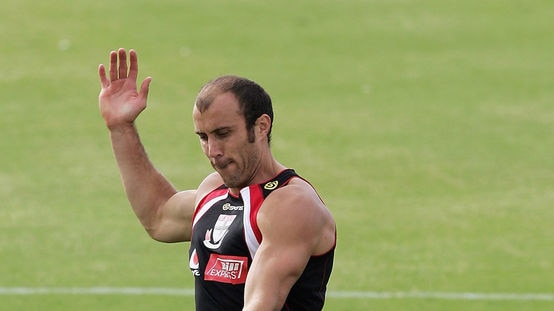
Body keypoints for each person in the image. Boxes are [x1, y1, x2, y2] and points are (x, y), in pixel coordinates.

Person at [97, 48, 336, 311]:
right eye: (203, 137)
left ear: (261, 126)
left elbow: (260, 305)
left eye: (223, 134)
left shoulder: (291, 206)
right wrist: (121, 127)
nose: (213, 151)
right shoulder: (214, 190)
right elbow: (159, 216)